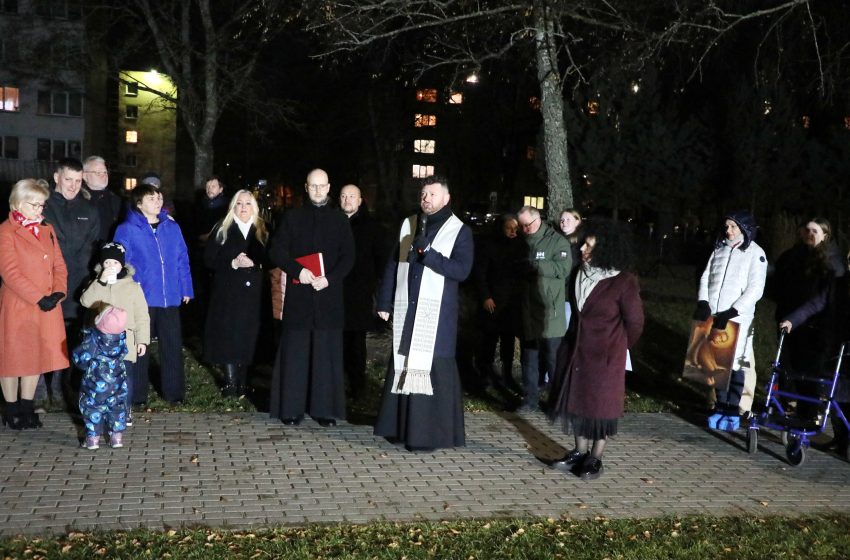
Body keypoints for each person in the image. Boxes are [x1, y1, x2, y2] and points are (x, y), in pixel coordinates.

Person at [374, 175, 474, 451]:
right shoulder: (410, 224)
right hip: (408, 307)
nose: (426, 198)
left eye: (432, 194)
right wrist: (384, 301)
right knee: (403, 363)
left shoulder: (460, 230)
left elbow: (462, 270)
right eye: (423, 194)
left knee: (434, 369)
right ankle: (400, 428)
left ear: (446, 198)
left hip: (437, 315)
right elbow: (394, 264)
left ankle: (431, 435)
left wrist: (430, 255)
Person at [549, 218, 644, 480]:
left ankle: (595, 457)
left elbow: (635, 323)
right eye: (583, 244)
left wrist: (618, 347)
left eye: (588, 246)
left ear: (605, 249)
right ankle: (579, 452)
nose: (581, 250)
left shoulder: (623, 281)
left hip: (605, 356)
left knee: (600, 408)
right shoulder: (579, 273)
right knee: (578, 402)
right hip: (576, 351)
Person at [268, 169, 354, 426]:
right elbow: (276, 251)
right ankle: (291, 409)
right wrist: (299, 271)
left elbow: (348, 257)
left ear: (329, 187)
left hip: (328, 296)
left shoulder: (340, 220)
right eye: (313, 186)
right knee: (296, 354)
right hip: (300, 296)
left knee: (325, 355)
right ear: (306, 188)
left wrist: (330, 278)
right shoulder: (292, 217)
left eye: (322, 186)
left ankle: (324, 410)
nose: (318, 191)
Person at [114, 184, 193, 404]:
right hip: (142, 297)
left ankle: (174, 393)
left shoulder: (172, 227)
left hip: (170, 296)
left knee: (172, 344)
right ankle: (138, 395)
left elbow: (181, 258)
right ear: (139, 204)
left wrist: (185, 287)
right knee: (141, 346)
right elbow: (121, 262)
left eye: (159, 197)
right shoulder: (127, 229)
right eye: (151, 198)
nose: (158, 202)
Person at [0, 179, 69, 429]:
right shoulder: (6, 231)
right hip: (20, 303)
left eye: (42, 205)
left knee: (35, 357)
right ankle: (11, 409)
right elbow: (10, 272)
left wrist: (59, 292)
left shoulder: (47, 229)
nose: (40, 210)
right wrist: (38, 297)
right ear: (18, 203)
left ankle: (27, 407)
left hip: (47, 304)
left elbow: (59, 265)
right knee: (12, 359)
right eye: (34, 205)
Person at [773, 218, 846, 441]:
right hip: (798, 323)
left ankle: (817, 420)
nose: (809, 234)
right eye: (807, 230)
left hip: (821, 329)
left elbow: (822, 301)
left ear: (825, 235)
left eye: (815, 231)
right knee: (797, 372)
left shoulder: (832, 264)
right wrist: (791, 318)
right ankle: (799, 414)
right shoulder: (797, 255)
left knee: (816, 377)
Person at [693, 212, 767, 416]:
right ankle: (720, 404)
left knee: (735, 362)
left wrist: (735, 310)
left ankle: (733, 406)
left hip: (736, 318)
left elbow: (755, 288)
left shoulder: (755, 253)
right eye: (726, 227)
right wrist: (703, 301)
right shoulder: (719, 249)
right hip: (714, 315)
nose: (728, 231)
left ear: (744, 229)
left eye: (733, 227)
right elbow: (706, 275)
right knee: (716, 362)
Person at [41, 157, 101, 405]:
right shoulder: (41, 206)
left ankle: (62, 388)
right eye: (68, 180)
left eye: (78, 181)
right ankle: (38, 392)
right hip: (47, 285)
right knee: (43, 338)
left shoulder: (89, 211)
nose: (73, 186)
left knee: (71, 341)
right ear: (57, 177)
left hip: (78, 286)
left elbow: (94, 247)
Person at [204, 190, 268, 397]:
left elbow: (271, 258)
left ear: (254, 208)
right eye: (239, 204)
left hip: (253, 294)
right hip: (228, 293)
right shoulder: (223, 229)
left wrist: (256, 263)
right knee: (229, 336)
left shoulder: (261, 230)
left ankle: (244, 382)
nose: (243, 208)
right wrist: (232, 262)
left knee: (248, 335)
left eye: (247, 204)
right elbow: (208, 259)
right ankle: (231, 383)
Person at [79, 242, 150, 425]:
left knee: (126, 377)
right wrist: (100, 281)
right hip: (101, 342)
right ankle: (99, 411)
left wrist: (142, 340)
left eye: (115, 263)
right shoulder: (95, 283)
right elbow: (86, 301)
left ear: (122, 265)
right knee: (100, 378)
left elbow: (142, 315)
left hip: (126, 341)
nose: (111, 266)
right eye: (107, 262)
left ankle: (124, 410)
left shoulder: (133, 287)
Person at [517, 205, 572, 413]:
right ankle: (529, 400)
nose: (524, 229)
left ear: (538, 220)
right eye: (521, 226)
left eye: (527, 225)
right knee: (529, 358)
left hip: (550, 312)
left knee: (552, 360)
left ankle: (557, 402)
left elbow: (563, 269)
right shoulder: (521, 241)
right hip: (528, 310)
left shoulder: (557, 241)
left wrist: (538, 265)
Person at [340, 184, 388, 398]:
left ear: (360, 200)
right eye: (343, 196)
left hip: (359, 294)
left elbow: (382, 262)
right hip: (332, 293)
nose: (347, 200)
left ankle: (358, 386)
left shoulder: (372, 228)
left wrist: (378, 291)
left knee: (356, 343)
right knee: (334, 341)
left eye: (352, 196)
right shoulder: (333, 223)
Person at [472, 213, 527, 390]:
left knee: (508, 340)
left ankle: (507, 374)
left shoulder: (520, 246)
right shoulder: (489, 245)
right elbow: (480, 273)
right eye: (509, 228)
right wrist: (485, 296)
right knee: (488, 339)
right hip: (493, 301)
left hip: (512, 303)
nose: (513, 232)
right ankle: (484, 374)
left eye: (515, 228)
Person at [73, 306, 130, 450]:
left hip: (96, 384)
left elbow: (81, 357)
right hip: (117, 382)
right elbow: (125, 353)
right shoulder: (121, 338)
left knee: (92, 408)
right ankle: (116, 437)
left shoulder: (94, 339)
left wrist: (83, 364)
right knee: (117, 408)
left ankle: (93, 439)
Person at [82, 156, 123, 243]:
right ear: (84, 176)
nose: (103, 176)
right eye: (98, 173)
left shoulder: (116, 200)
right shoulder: (77, 199)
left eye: (105, 172)